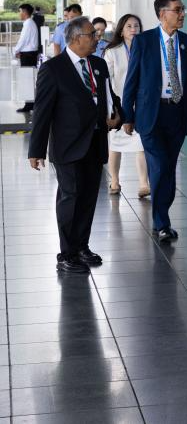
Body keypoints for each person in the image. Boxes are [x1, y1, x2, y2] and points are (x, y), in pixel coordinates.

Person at [28, 16, 121, 273]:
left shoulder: (98, 64)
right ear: (76, 38)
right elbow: (42, 111)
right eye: (92, 35)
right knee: (70, 197)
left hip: (95, 142)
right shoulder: (53, 69)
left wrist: (119, 115)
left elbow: (109, 97)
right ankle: (66, 254)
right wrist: (36, 150)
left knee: (89, 197)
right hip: (68, 146)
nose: (97, 39)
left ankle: (81, 246)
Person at [122, 0, 187, 243]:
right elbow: (132, 79)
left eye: (183, 10)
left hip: (177, 112)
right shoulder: (144, 41)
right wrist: (127, 115)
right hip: (151, 113)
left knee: (168, 168)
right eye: (178, 10)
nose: (182, 14)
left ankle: (162, 218)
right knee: (160, 165)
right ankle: (162, 222)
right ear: (163, 14)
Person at [102, 14, 151, 198]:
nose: (133, 29)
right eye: (129, 26)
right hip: (119, 104)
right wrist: (110, 106)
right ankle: (114, 181)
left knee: (141, 144)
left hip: (142, 104)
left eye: (136, 26)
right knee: (115, 144)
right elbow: (106, 80)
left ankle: (143, 183)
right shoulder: (112, 51)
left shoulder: (147, 49)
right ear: (121, 31)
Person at [13, 3, 41, 112]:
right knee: (28, 79)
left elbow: (23, 40)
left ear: (25, 12)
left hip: (28, 55)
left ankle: (29, 105)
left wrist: (16, 50)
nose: (19, 14)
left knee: (27, 79)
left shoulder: (28, 24)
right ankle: (30, 103)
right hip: (29, 54)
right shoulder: (29, 23)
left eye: (20, 11)